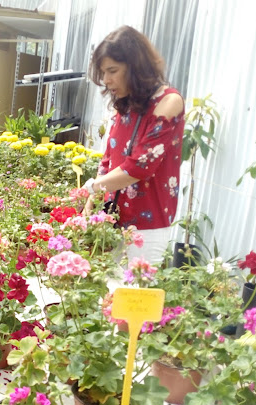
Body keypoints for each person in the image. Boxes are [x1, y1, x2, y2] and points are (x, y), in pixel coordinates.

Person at [82, 25, 185, 263]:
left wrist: (92, 188)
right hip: (111, 219)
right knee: (105, 296)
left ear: (136, 67)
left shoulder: (169, 101)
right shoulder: (125, 104)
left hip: (145, 228)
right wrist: (88, 209)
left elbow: (138, 167)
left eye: (112, 70)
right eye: (103, 72)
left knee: (134, 297)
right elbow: (107, 162)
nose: (106, 80)